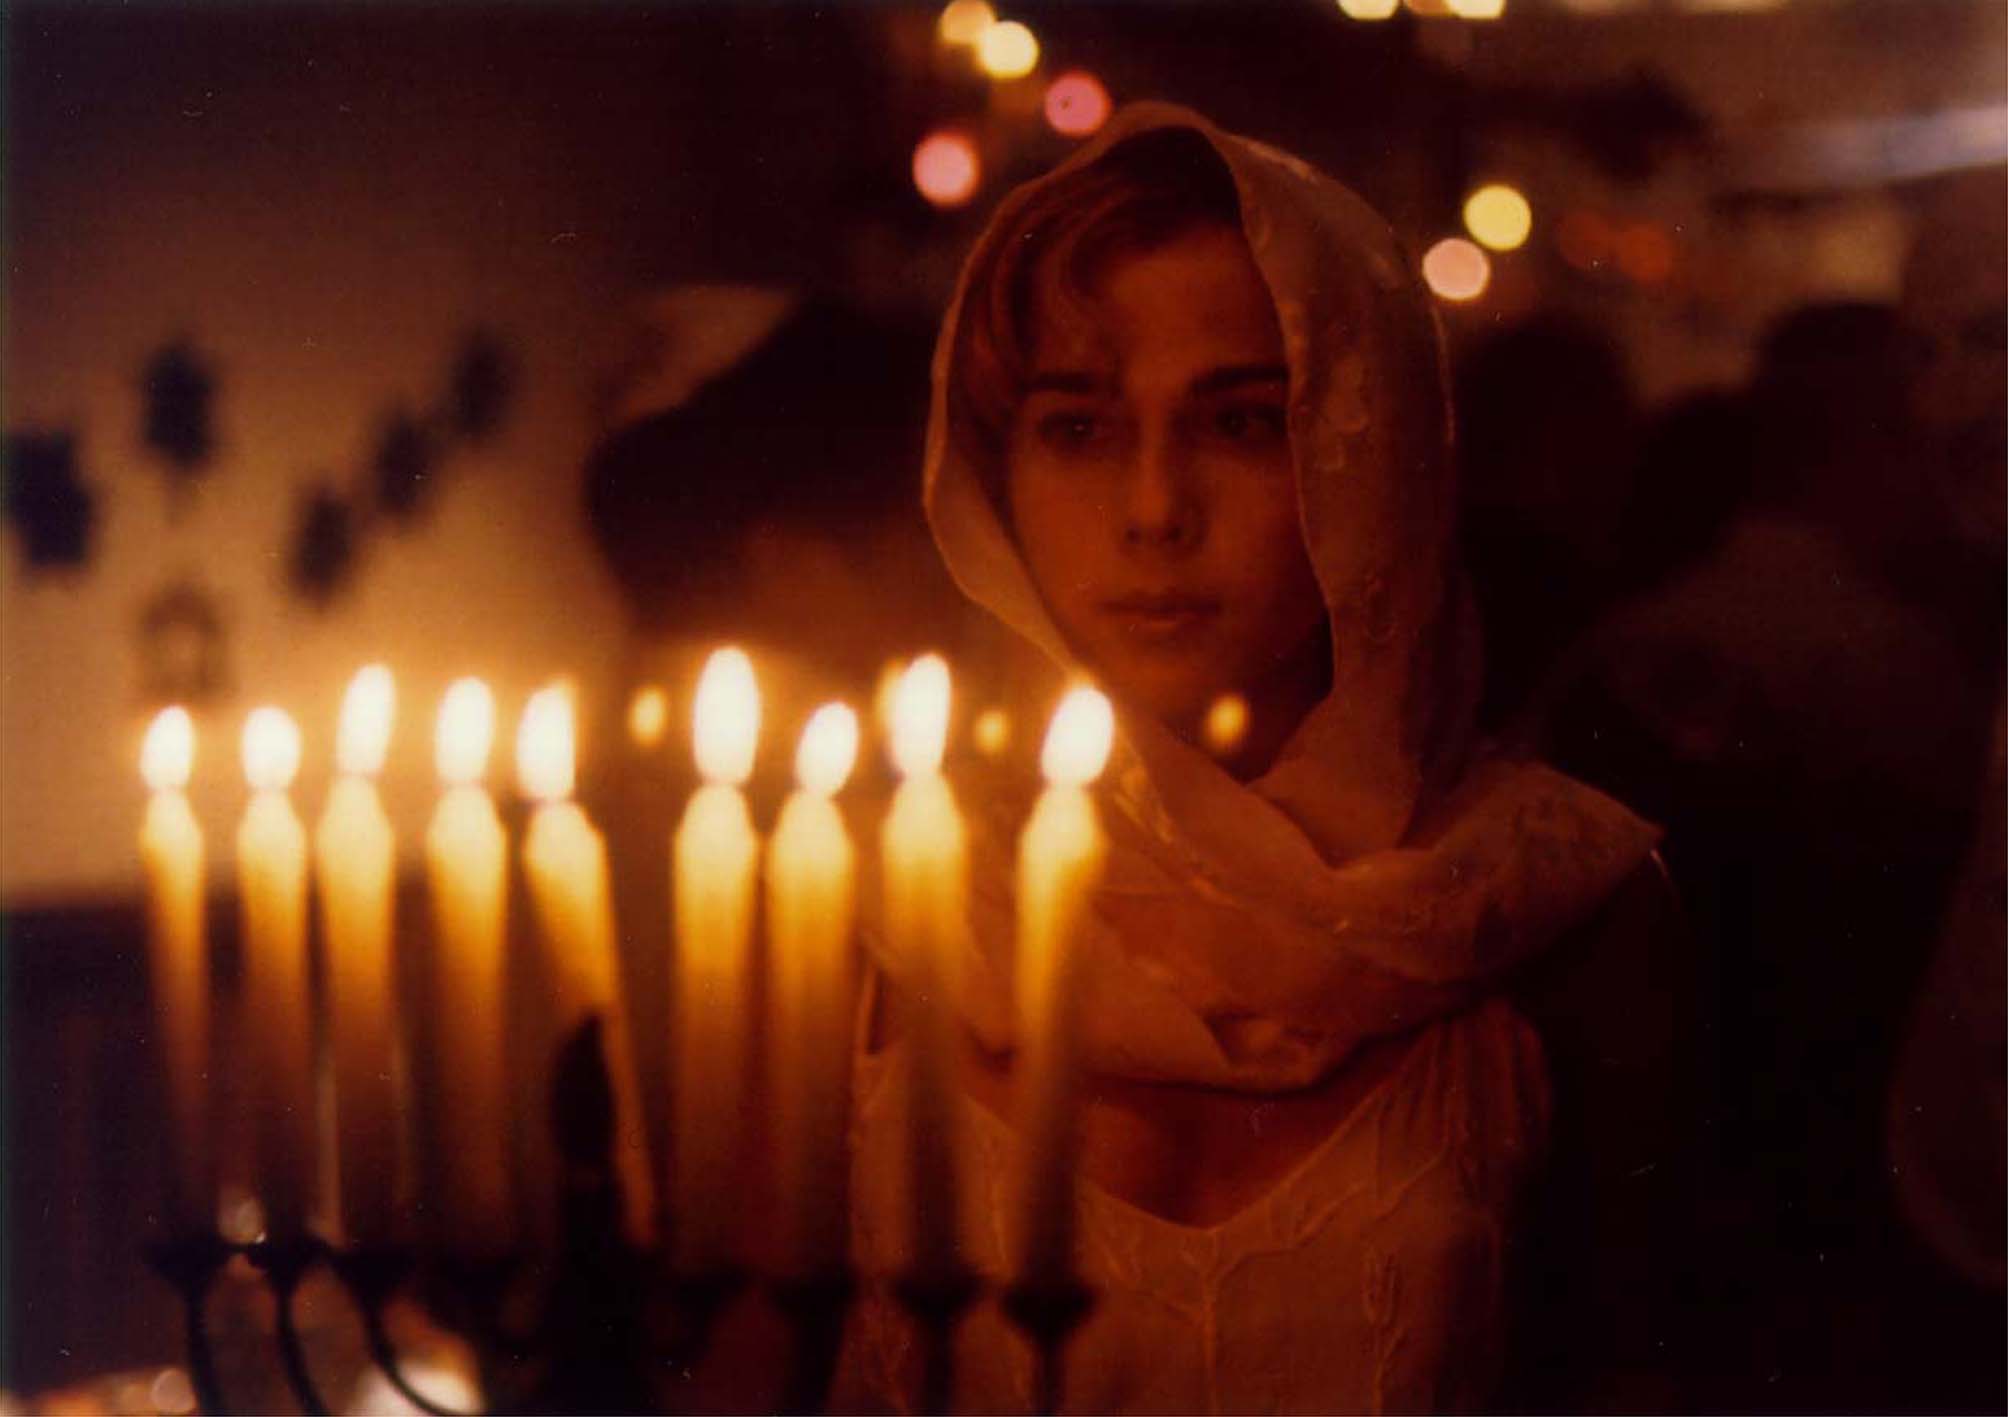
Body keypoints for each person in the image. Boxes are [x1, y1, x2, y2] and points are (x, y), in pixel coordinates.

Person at [838, 104, 1688, 1413]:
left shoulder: (1547, 903)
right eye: (1078, 427)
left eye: (1242, 423)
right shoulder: (883, 895)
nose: (1154, 510)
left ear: (1374, 452)